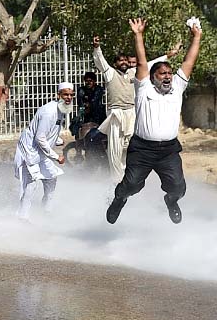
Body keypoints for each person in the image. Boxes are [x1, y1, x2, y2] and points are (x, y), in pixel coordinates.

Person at [106, 17, 202, 225]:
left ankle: (171, 200)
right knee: (132, 185)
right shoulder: (144, 87)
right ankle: (119, 198)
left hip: (168, 150)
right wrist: (138, 35)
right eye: (162, 73)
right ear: (152, 77)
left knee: (178, 187)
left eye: (169, 73)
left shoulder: (177, 87)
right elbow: (141, 62)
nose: (167, 76)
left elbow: (189, 62)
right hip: (142, 150)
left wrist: (197, 37)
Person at [91, 37, 177, 181]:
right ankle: (115, 182)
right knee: (114, 151)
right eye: (120, 60)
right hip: (116, 116)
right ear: (115, 63)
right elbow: (100, 61)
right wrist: (96, 47)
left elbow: (151, 64)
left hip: (132, 114)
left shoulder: (134, 73)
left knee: (130, 148)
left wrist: (169, 55)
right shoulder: (110, 73)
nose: (123, 62)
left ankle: (128, 180)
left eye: (125, 60)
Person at [14, 82, 74, 220]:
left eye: (71, 95)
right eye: (65, 94)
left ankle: (46, 210)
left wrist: (57, 140)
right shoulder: (49, 112)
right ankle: (22, 217)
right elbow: (40, 138)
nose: (68, 98)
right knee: (31, 184)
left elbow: (48, 131)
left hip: (41, 151)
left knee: (51, 177)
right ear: (58, 95)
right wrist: (55, 156)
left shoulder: (61, 109)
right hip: (30, 151)